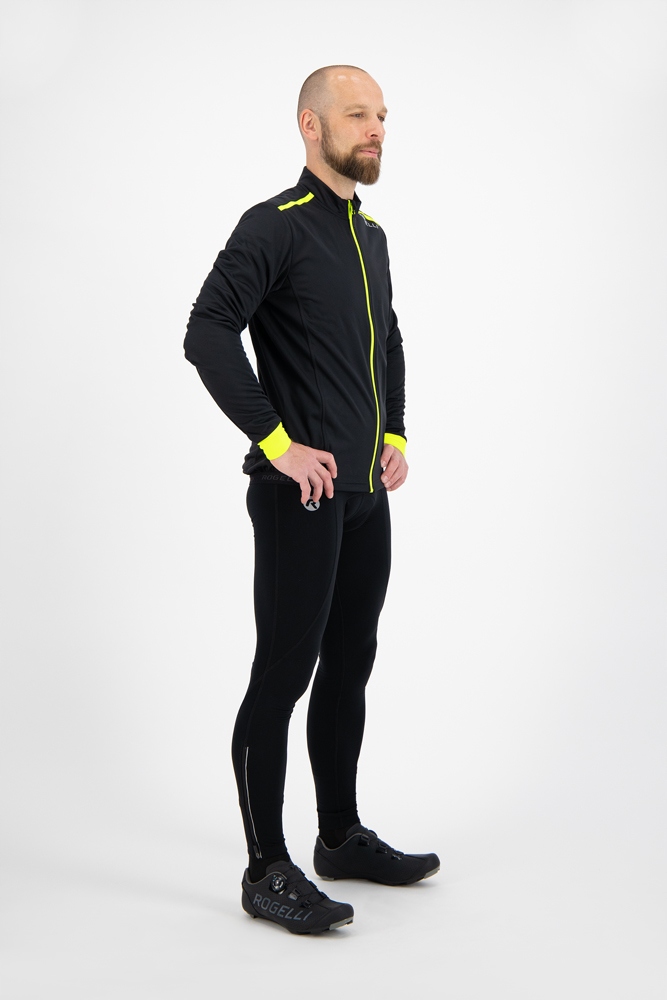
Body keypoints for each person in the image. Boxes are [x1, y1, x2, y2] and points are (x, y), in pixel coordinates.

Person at [184, 65, 439, 934]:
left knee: (351, 660)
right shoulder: (274, 225)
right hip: (300, 493)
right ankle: (265, 868)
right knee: (283, 673)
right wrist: (276, 443)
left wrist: (394, 431)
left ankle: (338, 837)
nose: (376, 130)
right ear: (310, 125)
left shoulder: (370, 235)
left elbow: (387, 339)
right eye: (358, 115)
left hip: (364, 492)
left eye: (382, 116)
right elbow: (206, 330)